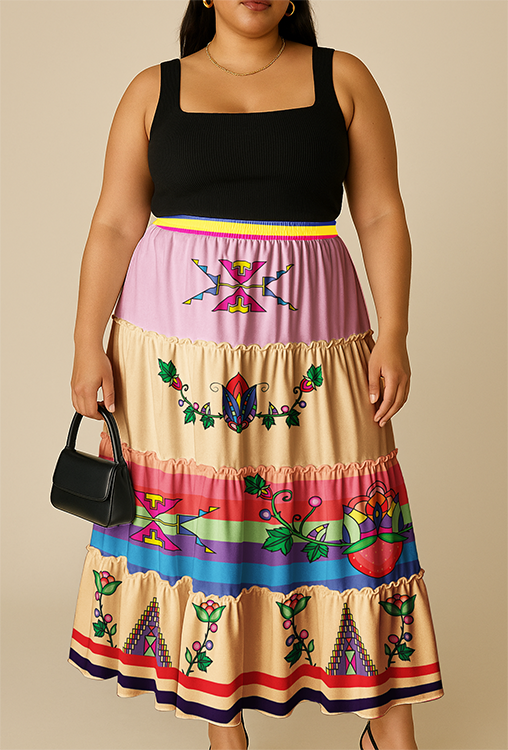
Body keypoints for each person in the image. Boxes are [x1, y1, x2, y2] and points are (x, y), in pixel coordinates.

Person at [69, 2, 443, 749]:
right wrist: (87, 342)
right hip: (173, 357)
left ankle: (390, 729)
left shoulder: (344, 79)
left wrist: (395, 332)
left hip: (317, 349)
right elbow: (114, 222)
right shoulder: (152, 89)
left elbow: (379, 213)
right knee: (206, 531)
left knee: (357, 515)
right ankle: (224, 729)